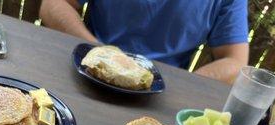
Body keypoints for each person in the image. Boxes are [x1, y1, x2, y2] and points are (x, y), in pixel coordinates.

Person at [40, 0, 249, 84]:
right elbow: (52, 5)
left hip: (161, 91)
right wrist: (100, 54)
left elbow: (236, 60)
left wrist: (180, 84)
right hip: (88, 73)